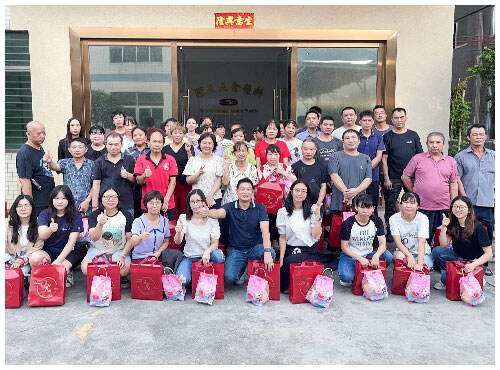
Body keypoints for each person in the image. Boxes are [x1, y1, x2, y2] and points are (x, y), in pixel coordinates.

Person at [207, 178, 276, 284]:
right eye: (242, 189)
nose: (245, 192)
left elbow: (265, 232)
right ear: (237, 191)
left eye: (248, 189)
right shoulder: (230, 207)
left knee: (271, 252)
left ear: (253, 192)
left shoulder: (260, 208)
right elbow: (218, 213)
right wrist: (207, 212)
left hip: (255, 248)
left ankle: (255, 275)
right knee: (229, 277)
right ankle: (242, 271)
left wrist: (266, 251)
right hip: (236, 250)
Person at [402, 132, 458, 245]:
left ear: (443, 144)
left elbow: (453, 183)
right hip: (422, 207)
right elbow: (405, 177)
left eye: (438, 142)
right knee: (422, 239)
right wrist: (414, 193)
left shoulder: (451, 161)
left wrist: (454, 204)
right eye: (431, 142)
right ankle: (423, 260)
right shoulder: (417, 159)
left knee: (441, 240)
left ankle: (437, 260)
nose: (434, 145)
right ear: (427, 144)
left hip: (443, 208)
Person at [432, 196, 493, 290]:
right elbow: (443, 244)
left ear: (469, 210)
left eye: (461, 207)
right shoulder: (452, 223)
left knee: (447, 279)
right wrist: (444, 227)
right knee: (437, 251)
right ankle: (449, 272)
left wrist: (473, 265)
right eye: (455, 206)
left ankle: (468, 277)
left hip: (474, 262)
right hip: (458, 258)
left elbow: (489, 254)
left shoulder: (477, 226)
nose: (457, 209)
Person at [29, 185, 84, 287]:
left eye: (63, 198)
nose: (60, 202)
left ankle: (67, 270)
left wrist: (57, 262)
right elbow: (42, 234)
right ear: (52, 200)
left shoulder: (75, 216)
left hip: (70, 252)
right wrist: (50, 229)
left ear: (69, 200)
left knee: (60, 271)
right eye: (57, 198)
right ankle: (41, 281)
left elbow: (71, 242)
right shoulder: (45, 214)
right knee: (34, 258)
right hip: (49, 251)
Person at [381, 107, 423, 240]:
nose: (399, 120)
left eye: (401, 117)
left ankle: (413, 230)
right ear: (392, 120)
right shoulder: (387, 136)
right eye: (396, 118)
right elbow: (384, 159)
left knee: (413, 203)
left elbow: (420, 157)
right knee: (390, 205)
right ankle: (390, 231)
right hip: (393, 177)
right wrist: (386, 178)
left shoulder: (413, 135)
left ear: (406, 118)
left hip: (411, 177)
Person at [338, 194, 393, 286]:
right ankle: (361, 271)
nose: (365, 211)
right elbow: (344, 247)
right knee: (346, 277)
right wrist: (359, 258)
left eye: (368, 208)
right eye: (362, 207)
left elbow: (383, 244)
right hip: (351, 256)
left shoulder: (376, 221)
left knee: (388, 256)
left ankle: (365, 271)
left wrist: (376, 255)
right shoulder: (348, 223)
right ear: (356, 207)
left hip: (368, 254)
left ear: (373, 209)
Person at [277, 181, 322, 293]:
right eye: (297, 190)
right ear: (291, 192)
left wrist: (317, 215)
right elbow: (282, 238)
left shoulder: (311, 211)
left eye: (303, 191)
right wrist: (281, 259)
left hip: (309, 250)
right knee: (285, 268)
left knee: (293, 262)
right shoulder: (283, 212)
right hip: (291, 249)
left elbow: (316, 236)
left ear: (307, 194)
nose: (299, 194)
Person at [81, 185, 133, 280]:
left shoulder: (126, 215)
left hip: (119, 250)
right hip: (98, 250)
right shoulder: (94, 215)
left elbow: (130, 240)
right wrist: (100, 224)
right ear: (101, 199)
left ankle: (105, 275)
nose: (110, 200)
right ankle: (110, 276)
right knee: (85, 268)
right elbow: (93, 238)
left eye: (114, 197)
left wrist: (122, 255)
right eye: (107, 197)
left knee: (124, 270)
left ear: (118, 199)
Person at [174, 189, 225, 285]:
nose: (195, 204)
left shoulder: (212, 220)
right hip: (190, 257)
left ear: (203, 202)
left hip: (208, 256)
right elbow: (178, 241)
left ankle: (208, 276)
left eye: (198, 201)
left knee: (218, 256)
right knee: (182, 281)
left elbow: (215, 243)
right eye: (192, 202)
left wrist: (207, 251)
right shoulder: (183, 218)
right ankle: (196, 276)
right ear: (189, 204)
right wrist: (178, 232)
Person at [455, 124, 495, 245]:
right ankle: (469, 260)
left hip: (488, 203)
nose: (478, 137)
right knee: (467, 234)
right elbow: (457, 179)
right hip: (468, 204)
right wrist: (465, 199)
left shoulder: (494, 156)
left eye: (481, 134)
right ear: (468, 137)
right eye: (475, 134)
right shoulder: (460, 157)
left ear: (485, 137)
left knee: (487, 234)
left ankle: (484, 262)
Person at [257, 145, 297, 246]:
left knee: (282, 224)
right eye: (270, 154)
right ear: (266, 156)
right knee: (269, 224)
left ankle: (282, 245)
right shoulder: (261, 169)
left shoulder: (285, 167)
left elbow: (296, 181)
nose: (273, 157)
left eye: (275, 154)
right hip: (267, 203)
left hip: (282, 202)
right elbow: (256, 186)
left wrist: (283, 173)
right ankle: (269, 245)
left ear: (279, 155)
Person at [134, 128, 178, 220]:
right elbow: (138, 181)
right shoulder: (141, 159)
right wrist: (144, 175)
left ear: (163, 144)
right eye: (154, 141)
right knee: (148, 232)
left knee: (168, 232)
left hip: (167, 203)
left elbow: (173, 182)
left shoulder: (170, 159)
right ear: (148, 142)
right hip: (148, 204)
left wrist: (165, 200)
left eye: (160, 142)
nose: (157, 144)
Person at [43, 138, 94, 214]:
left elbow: (95, 185)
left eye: (80, 147)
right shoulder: (65, 163)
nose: (77, 150)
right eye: (74, 147)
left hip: (85, 205)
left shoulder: (92, 164)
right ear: (69, 150)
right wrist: (50, 162)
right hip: (67, 204)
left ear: (86, 149)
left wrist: (87, 201)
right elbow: (55, 167)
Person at [91, 132, 136, 218]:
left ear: (121, 145)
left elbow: (135, 180)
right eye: (110, 144)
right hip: (106, 204)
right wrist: (95, 206)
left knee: (127, 229)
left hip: (126, 203)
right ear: (105, 144)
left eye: (116, 144)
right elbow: (96, 184)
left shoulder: (129, 160)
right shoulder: (99, 162)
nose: (113, 147)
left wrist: (127, 175)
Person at [16, 121, 55, 217]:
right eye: (39, 133)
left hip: (47, 198)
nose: (42, 136)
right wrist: (30, 205)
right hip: (38, 203)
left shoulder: (38, 147)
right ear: (28, 134)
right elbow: (25, 180)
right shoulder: (24, 153)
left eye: (44, 133)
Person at [329, 129, 372, 213]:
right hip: (340, 201)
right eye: (347, 138)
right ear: (343, 141)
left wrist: (355, 191)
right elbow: (334, 176)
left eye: (353, 137)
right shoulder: (335, 156)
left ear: (359, 141)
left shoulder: (366, 158)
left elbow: (368, 179)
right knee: (338, 225)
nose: (351, 140)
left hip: (360, 204)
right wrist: (346, 193)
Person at [120, 191, 170, 263]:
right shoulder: (138, 221)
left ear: (162, 204)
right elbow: (133, 242)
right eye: (151, 203)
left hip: (158, 257)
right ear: (146, 205)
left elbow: (166, 242)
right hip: (140, 258)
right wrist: (141, 237)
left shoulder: (165, 221)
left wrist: (157, 253)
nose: (154, 206)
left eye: (157, 203)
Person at [390, 192, 434, 270]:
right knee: (399, 257)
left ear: (417, 206)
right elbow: (398, 242)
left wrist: (420, 263)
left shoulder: (423, 218)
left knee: (424, 267)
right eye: (405, 202)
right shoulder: (393, 219)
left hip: (422, 253)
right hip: (404, 252)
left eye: (412, 203)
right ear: (400, 204)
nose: (408, 206)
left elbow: (422, 241)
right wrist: (409, 256)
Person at [5, 194, 43, 277]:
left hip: (26, 260)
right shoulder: (8, 224)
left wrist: (22, 260)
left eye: (26, 205)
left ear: (32, 207)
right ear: (16, 208)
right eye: (20, 206)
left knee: (19, 274)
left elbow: (37, 247)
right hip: (11, 257)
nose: (23, 209)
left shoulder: (39, 224)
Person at [183, 132, 224, 209]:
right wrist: (198, 174)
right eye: (204, 143)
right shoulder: (193, 160)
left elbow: (219, 180)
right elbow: (188, 180)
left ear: (214, 145)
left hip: (214, 198)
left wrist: (210, 196)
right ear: (199, 144)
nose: (207, 146)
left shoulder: (219, 160)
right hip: (196, 199)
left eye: (209, 143)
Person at [163, 123, 194, 219]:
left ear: (183, 135)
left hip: (184, 182)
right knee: (172, 207)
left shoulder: (187, 147)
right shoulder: (165, 148)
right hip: (169, 183)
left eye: (180, 133)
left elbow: (192, 164)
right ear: (171, 134)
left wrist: (188, 151)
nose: (177, 135)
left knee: (185, 207)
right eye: (175, 133)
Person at [357, 110, 385, 209]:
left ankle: (374, 223)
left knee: (372, 204)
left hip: (373, 176)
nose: (367, 123)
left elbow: (379, 156)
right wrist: (361, 170)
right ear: (360, 122)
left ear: (373, 121)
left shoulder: (378, 137)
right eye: (364, 120)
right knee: (358, 203)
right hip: (357, 176)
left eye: (369, 120)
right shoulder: (355, 137)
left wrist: (367, 169)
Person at [291, 139, 328, 208]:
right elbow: (292, 188)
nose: (308, 152)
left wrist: (319, 203)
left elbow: (323, 186)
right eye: (305, 149)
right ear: (301, 149)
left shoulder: (321, 166)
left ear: (315, 150)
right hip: (299, 205)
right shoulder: (295, 167)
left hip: (317, 204)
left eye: (311, 149)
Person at [222, 141, 258, 205]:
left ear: (247, 152)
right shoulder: (229, 166)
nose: (241, 154)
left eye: (243, 151)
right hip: (229, 202)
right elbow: (225, 182)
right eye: (238, 151)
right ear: (234, 153)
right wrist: (227, 165)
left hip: (246, 204)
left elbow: (253, 187)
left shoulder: (252, 168)